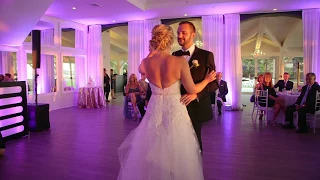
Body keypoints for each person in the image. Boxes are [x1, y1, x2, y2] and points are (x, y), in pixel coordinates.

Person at [117, 24, 216, 180]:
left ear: (155, 40)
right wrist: (207, 79)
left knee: (152, 148)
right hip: (175, 111)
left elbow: (141, 69)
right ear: (170, 39)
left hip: (154, 111)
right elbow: (192, 89)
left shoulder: (146, 63)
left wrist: (152, 51)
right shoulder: (179, 62)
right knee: (178, 152)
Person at [172, 21, 218, 151]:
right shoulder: (174, 56)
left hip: (197, 107)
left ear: (193, 35)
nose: (180, 35)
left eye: (184, 33)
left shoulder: (206, 55)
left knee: (195, 142)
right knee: (178, 142)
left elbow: (214, 83)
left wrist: (196, 94)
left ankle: (196, 170)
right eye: (178, 32)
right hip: (178, 105)